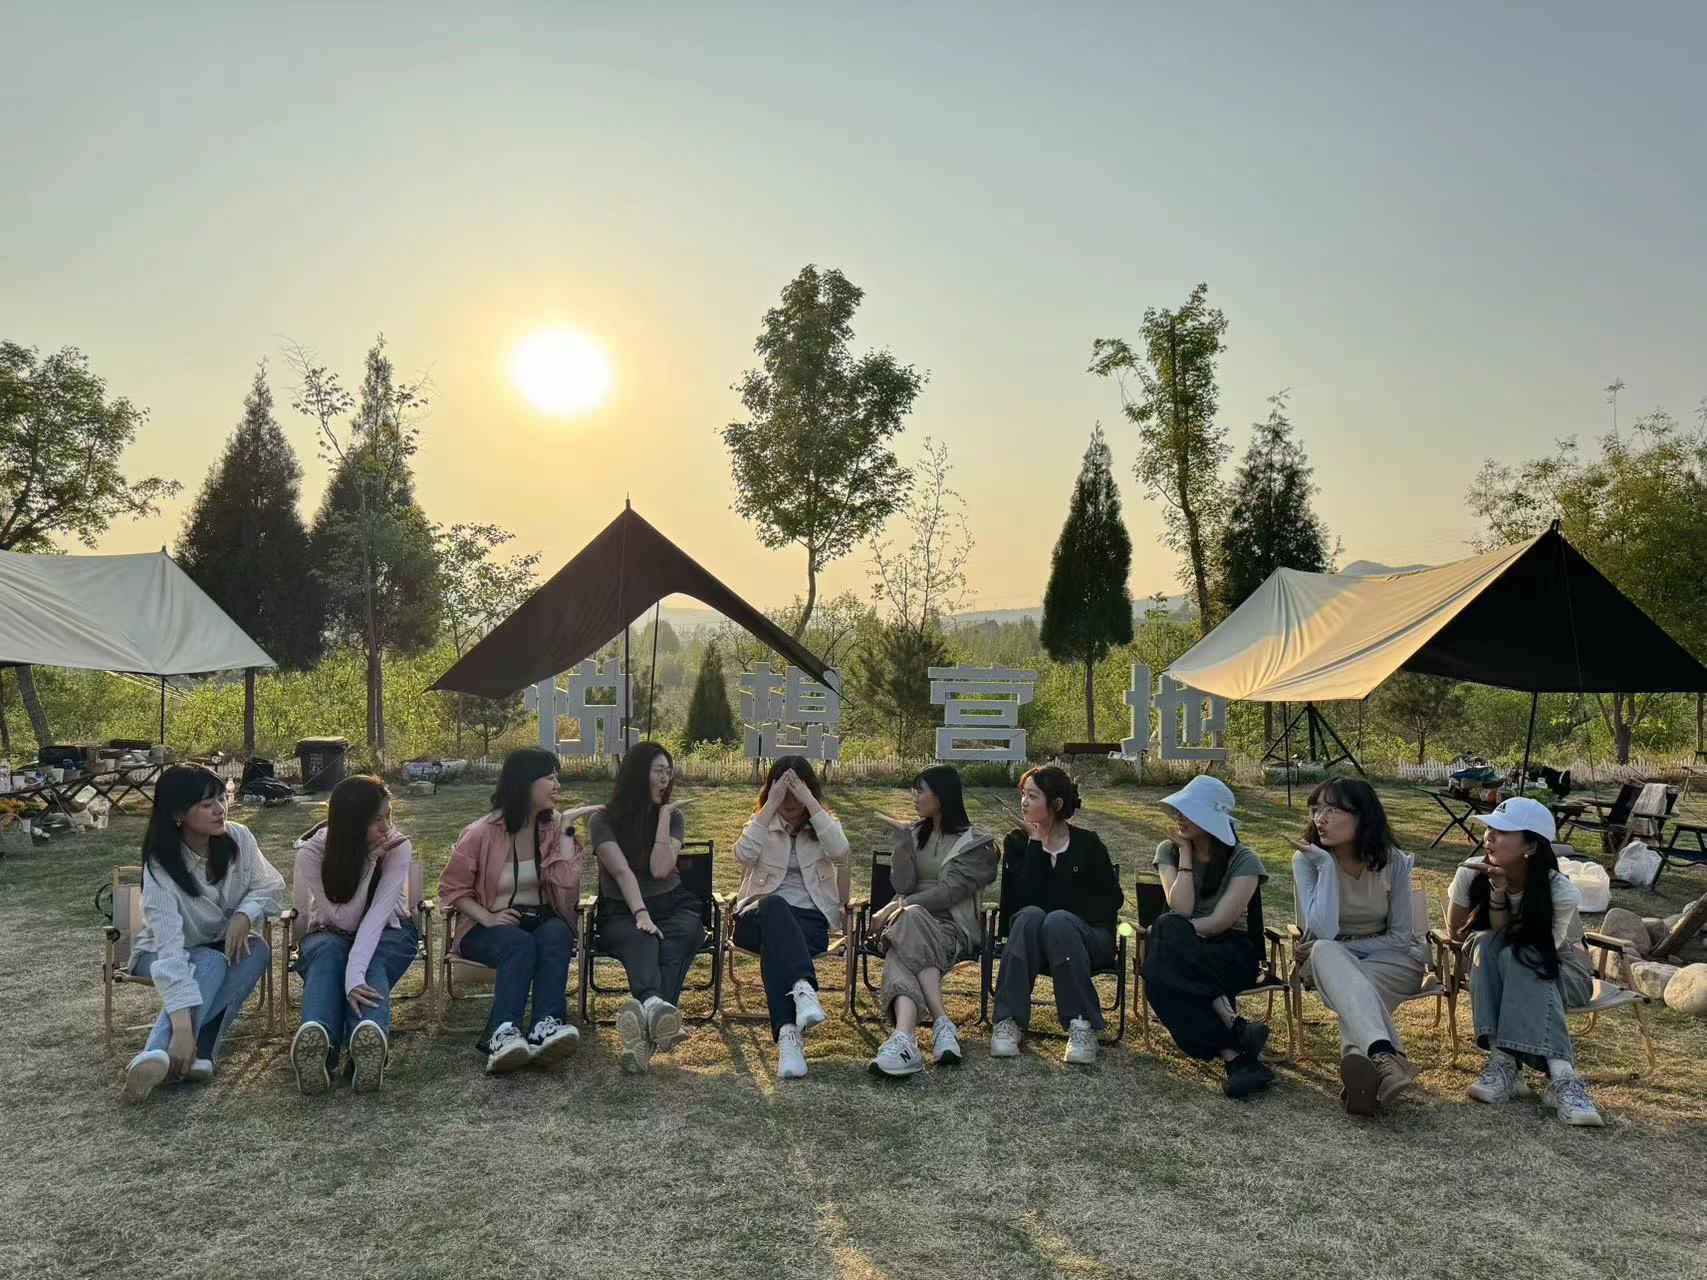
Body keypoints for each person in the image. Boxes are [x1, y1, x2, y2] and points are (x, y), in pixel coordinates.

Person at [122, 765, 285, 1103]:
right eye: (207, 803)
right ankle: (160, 1051)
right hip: (160, 954)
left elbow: (270, 885)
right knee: (210, 962)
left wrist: (244, 914)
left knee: (256, 950)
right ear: (178, 814)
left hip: (217, 945)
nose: (220, 809)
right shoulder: (160, 868)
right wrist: (182, 1027)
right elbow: (170, 954)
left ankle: (193, 1055)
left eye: (223, 798)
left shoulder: (239, 837)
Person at [1446, 797, 1604, 1127]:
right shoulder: (1471, 873)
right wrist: (1496, 892)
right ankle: (1515, 1067)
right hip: (1505, 967)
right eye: (1490, 829)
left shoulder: (1559, 891)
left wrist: (1509, 895)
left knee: (1519, 953)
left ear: (1531, 846)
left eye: (1503, 831)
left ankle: (1553, 1074)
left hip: (1563, 971)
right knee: (1486, 942)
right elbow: (1456, 934)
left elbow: (1539, 949)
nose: (1490, 837)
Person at [439, 749, 588, 1074]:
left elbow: (565, 881)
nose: (556, 784)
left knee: (557, 932)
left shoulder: (552, 827)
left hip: (537, 919)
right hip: (485, 928)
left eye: (557, 777)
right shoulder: (480, 833)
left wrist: (566, 828)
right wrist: (489, 917)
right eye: (549, 777)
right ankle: (503, 1033)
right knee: (519, 943)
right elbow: (452, 888)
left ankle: (545, 1026)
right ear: (524, 782)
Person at [1288, 778, 1429, 1115]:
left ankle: (1364, 1062)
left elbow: (1400, 937)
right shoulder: (1307, 860)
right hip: (1328, 960)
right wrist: (1325, 867)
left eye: (1332, 810)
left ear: (1362, 815)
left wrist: (1345, 950)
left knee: (1342, 970)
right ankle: (1384, 1056)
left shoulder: (1393, 861)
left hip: (1393, 961)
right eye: (1316, 810)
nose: (1320, 819)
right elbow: (1322, 932)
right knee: (1326, 952)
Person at [1141, 774, 1274, 1098]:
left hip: (1231, 950)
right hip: (1185, 952)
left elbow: (1217, 923)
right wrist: (1185, 854)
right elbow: (1182, 907)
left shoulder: (1244, 859)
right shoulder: (1169, 851)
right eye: (1179, 810)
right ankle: (1235, 1047)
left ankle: (1235, 1047)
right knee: (1160, 978)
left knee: (1163, 953)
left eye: (1189, 811)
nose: (1179, 817)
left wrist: (1173, 935)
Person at [289, 775, 420, 1095]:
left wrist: (355, 975)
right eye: (376, 820)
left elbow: (375, 917)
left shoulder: (397, 846)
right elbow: (344, 920)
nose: (387, 827)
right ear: (350, 823)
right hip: (329, 930)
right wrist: (368, 864)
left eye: (388, 815)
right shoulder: (312, 853)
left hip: (390, 929)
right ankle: (320, 1049)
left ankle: (368, 1040)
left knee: (372, 963)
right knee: (327, 956)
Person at [868, 765, 997, 1078]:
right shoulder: (916, 833)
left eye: (920, 790)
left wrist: (899, 905)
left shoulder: (976, 844)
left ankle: (906, 1038)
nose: (915, 797)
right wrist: (902, 843)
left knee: (905, 928)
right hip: (907, 924)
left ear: (941, 796)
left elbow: (949, 892)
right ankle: (933, 1026)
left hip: (950, 928)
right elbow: (903, 884)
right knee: (906, 930)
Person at [990, 766, 1123, 1065]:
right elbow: (1019, 902)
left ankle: (1081, 1024)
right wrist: (1036, 844)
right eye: (1023, 795)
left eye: (1032, 796)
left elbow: (1111, 900)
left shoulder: (1088, 844)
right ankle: (1008, 1022)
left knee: (1058, 920)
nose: (1023, 802)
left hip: (1088, 938)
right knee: (1029, 916)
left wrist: (1062, 911)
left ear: (1057, 804)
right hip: (1035, 937)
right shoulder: (1017, 842)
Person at [590, 742, 705, 1074]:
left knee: (679, 937)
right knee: (643, 937)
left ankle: (644, 1031)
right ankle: (655, 1007)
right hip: (621, 910)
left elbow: (660, 868)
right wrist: (641, 914)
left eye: (668, 771)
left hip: (674, 905)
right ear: (638, 774)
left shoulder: (674, 817)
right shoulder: (602, 819)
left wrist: (663, 817)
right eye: (658, 770)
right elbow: (622, 872)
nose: (665, 779)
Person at [731, 755, 849, 1079]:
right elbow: (742, 854)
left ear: (809, 791)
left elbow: (840, 852)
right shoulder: (761, 822)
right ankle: (803, 988)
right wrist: (769, 806)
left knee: (777, 946)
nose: (790, 800)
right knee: (774, 905)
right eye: (783, 791)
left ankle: (788, 1038)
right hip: (755, 917)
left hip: (808, 922)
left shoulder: (823, 825)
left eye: (797, 791)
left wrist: (812, 804)